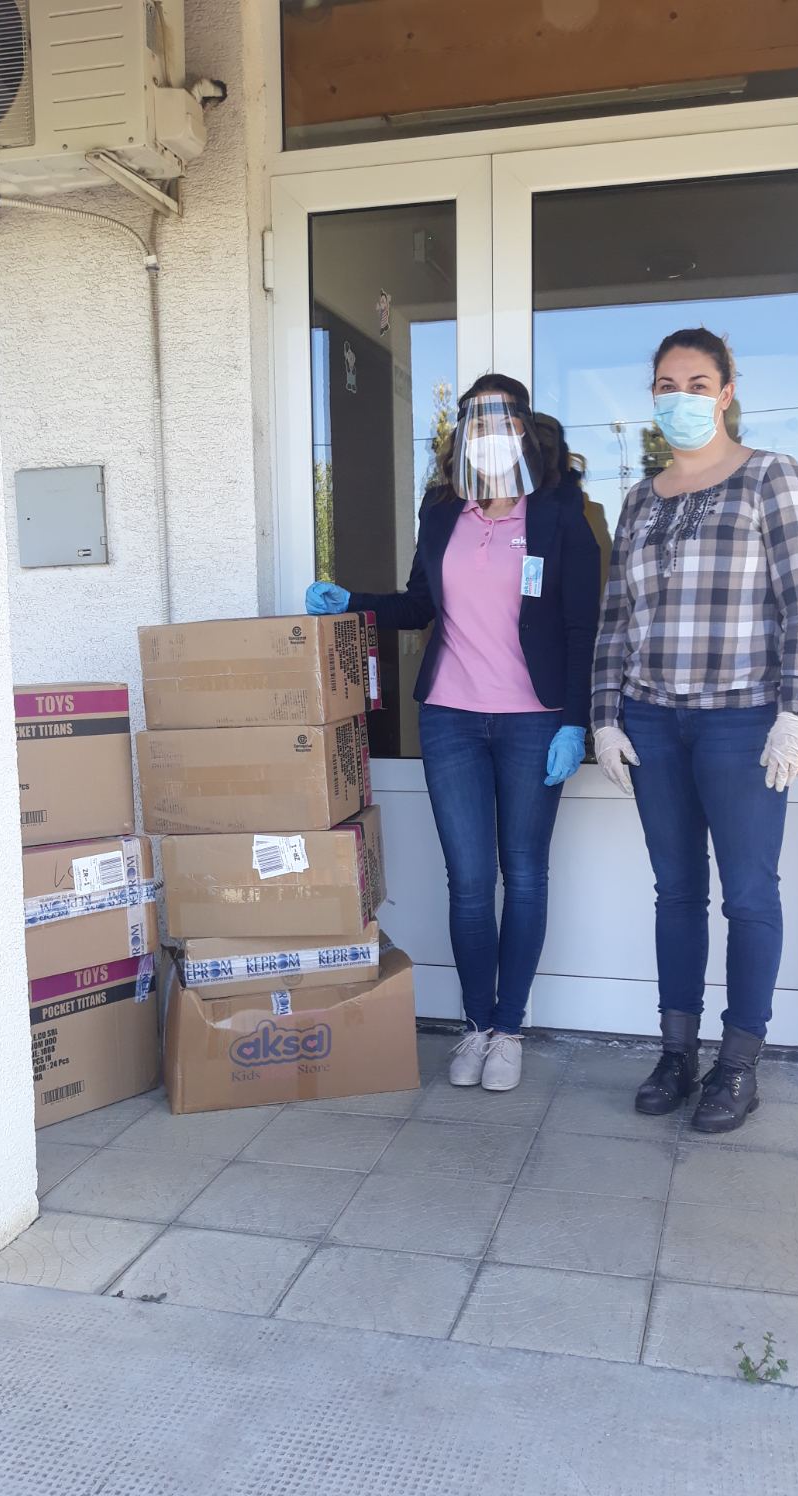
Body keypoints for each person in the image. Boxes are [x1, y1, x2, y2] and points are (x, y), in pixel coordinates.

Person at [306, 375, 600, 1092]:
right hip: (450, 718)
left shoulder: (560, 513)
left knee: (523, 875)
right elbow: (419, 606)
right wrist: (354, 602)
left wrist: (576, 722)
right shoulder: (443, 510)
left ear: (524, 429)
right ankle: (475, 1025)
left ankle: (509, 1030)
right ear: (462, 436)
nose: (488, 435)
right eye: (475, 424)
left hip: (534, 721)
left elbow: (582, 626)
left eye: (500, 422)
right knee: (468, 882)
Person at [592, 329, 798, 1133]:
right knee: (677, 892)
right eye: (667, 384)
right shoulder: (640, 500)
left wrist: (796, 711)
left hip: (742, 720)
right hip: (654, 720)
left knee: (750, 894)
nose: (681, 398)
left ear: (727, 393)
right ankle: (676, 1053)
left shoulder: (770, 477)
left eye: (698, 384)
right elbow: (615, 619)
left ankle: (738, 1065)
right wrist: (604, 717)